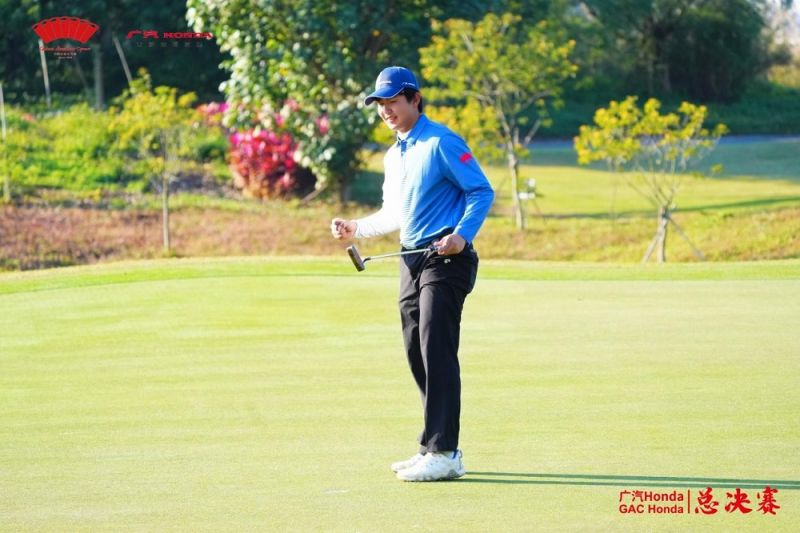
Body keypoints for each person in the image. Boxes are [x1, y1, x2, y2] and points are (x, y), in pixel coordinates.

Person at [330, 66, 494, 482]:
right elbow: (395, 214)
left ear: (414, 99)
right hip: (411, 258)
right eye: (380, 104)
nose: (386, 110)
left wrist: (462, 235)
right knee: (415, 350)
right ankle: (432, 446)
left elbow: (481, 190)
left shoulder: (441, 141)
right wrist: (356, 228)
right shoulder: (394, 154)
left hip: (447, 257)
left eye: (393, 101)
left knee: (435, 346)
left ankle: (445, 451)